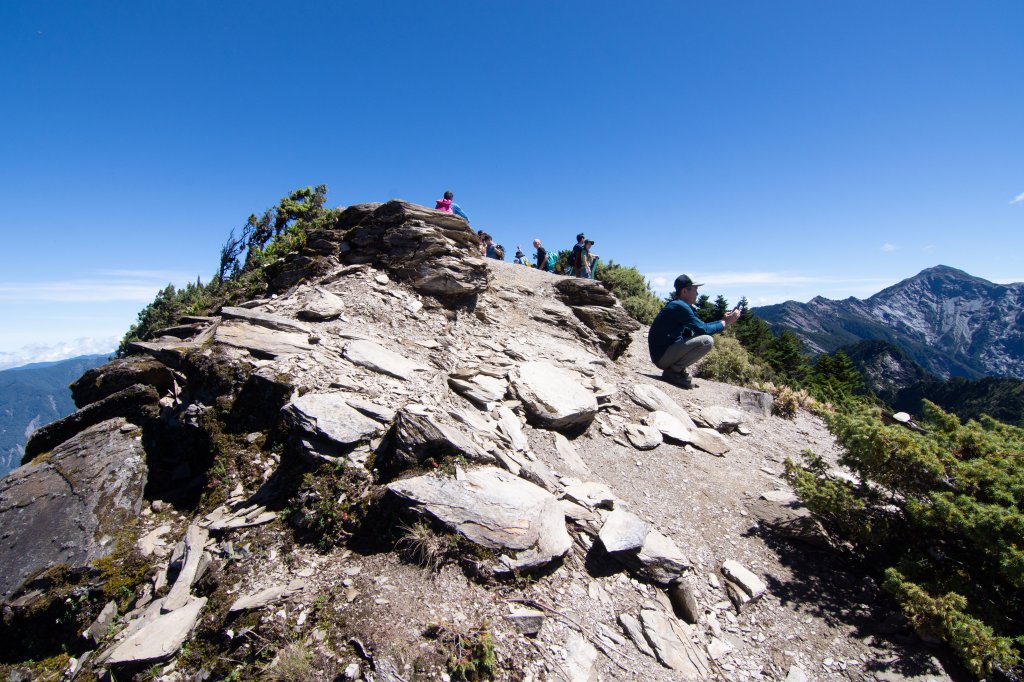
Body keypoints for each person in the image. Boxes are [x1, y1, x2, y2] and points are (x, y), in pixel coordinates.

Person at [648, 274, 741, 388]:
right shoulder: (680, 306)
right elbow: (704, 330)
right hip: (662, 357)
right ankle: (674, 372)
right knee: (707, 341)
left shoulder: (678, 305)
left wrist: (723, 321)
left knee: (698, 337)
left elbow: (701, 327)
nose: (697, 293)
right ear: (684, 291)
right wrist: (725, 323)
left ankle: (675, 371)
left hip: (662, 354)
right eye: (695, 289)